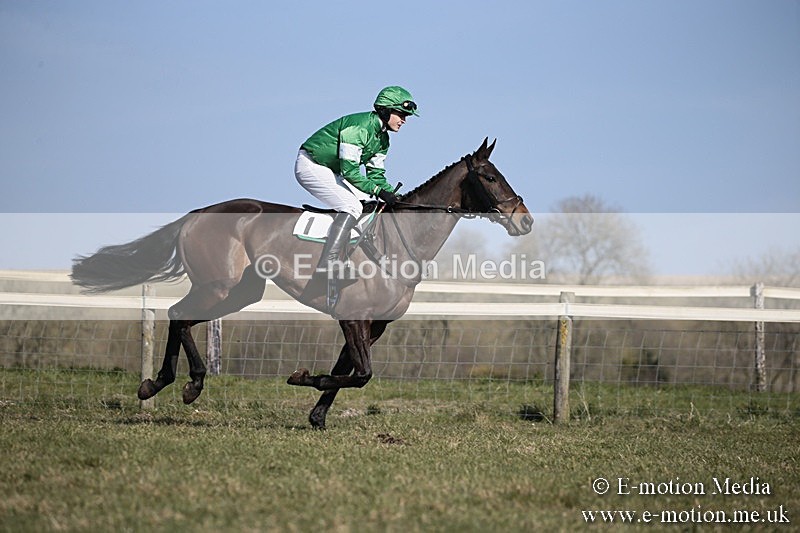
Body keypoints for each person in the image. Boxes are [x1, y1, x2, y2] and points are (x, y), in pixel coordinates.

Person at [294, 85, 419, 310]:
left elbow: (376, 176)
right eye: (401, 114)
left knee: (370, 203)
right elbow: (351, 172)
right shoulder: (359, 128)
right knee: (352, 205)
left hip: (332, 170)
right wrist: (380, 191)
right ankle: (329, 263)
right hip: (311, 165)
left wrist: (393, 195)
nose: (404, 120)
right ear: (385, 111)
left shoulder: (383, 140)